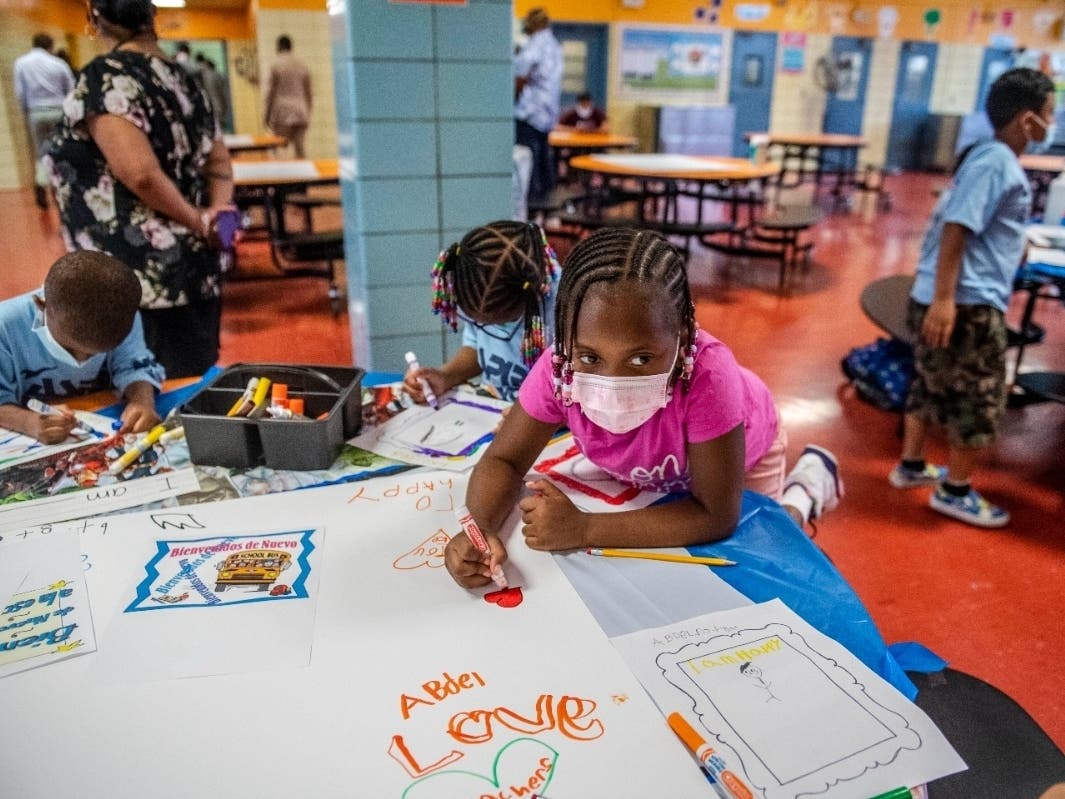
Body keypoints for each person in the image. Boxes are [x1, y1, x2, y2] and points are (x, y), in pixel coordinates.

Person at [444, 227, 842, 588]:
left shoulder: (708, 374)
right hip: (652, 472)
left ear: (684, 332)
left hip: (743, 459)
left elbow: (716, 514)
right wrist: (479, 528)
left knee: (768, 544)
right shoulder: (557, 369)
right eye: (589, 357)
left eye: (640, 359)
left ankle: (805, 490)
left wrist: (584, 528)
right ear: (563, 337)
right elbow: (505, 460)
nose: (615, 382)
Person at [888, 67, 1056, 529]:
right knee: (980, 399)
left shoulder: (982, 158)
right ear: (1027, 121)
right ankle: (955, 491)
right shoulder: (997, 162)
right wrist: (946, 299)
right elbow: (957, 226)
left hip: (945, 294)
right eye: (1049, 115)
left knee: (929, 383)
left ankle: (912, 465)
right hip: (967, 302)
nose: (1051, 124)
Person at [44, 0, 235, 379]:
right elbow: (219, 165)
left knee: (150, 395)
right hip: (193, 271)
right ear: (151, 17)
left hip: (136, 279)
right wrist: (217, 220)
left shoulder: (105, 78)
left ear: (97, 19)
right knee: (192, 390)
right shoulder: (183, 78)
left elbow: (140, 175)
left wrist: (199, 221)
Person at [0, 250, 164, 444]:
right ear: (41, 305)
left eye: (98, 354)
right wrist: (28, 422)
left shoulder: (122, 312)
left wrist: (142, 401)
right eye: (69, 348)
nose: (82, 360)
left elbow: (133, 363)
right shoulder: (6, 326)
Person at [404, 221, 559, 404]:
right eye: (477, 321)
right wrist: (445, 376)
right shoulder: (479, 285)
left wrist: (530, 417)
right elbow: (476, 349)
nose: (486, 329)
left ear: (530, 297)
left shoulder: (567, 308)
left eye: (501, 323)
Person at [13, 33, 75, 209]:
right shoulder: (58, 63)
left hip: (35, 112)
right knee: (61, 150)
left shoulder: (21, 63)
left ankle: (41, 181)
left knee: (42, 152)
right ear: (50, 46)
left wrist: (26, 112)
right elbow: (70, 90)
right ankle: (60, 189)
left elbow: (20, 93)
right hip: (57, 110)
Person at [513, 7, 562, 205]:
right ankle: (545, 205)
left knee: (527, 165)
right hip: (546, 114)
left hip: (530, 113)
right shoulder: (554, 45)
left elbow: (520, 76)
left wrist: (512, 99)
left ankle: (531, 207)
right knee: (542, 162)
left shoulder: (535, 44)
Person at [264, 34, 312, 158]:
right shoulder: (302, 65)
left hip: (282, 112)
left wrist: (266, 115)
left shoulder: (275, 65)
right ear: (291, 47)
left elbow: (269, 93)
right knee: (300, 149)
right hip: (301, 111)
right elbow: (309, 93)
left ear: (278, 47)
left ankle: (281, 175)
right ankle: (304, 176)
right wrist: (308, 112)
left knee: (279, 149)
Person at [201, 58, 230, 131]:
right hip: (220, 101)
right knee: (219, 123)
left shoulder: (204, 76)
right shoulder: (219, 75)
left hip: (209, 103)